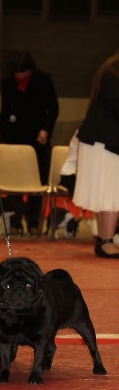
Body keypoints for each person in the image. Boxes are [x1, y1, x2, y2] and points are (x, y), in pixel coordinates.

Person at [0, 50, 59, 235]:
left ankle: (33, 221)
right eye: (16, 73)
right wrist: (3, 142)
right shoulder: (8, 83)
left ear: (29, 68)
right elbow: (4, 112)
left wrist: (46, 130)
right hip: (14, 139)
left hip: (37, 139)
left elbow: (54, 109)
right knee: (14, 183)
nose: (19, 76)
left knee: (37, 181)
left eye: (22, 72)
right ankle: (15, 221)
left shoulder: (43, 80)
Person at [73, 51, 119, 258]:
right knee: (112, 191)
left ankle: (104, 238)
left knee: (106, 192)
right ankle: (107, 240)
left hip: (101, 139)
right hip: (106, 139)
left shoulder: (110, 69)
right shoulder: (114, 72)